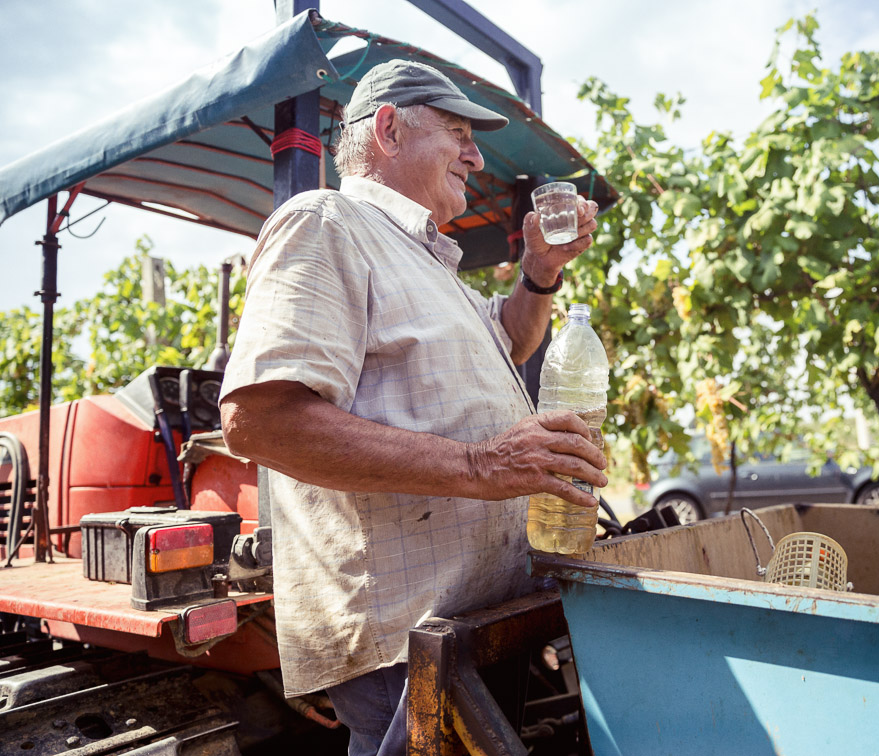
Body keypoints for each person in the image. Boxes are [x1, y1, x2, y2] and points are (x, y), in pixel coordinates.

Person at [219, 59, 607, 755]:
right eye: (457, 131)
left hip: (478, 624)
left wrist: (539, 273)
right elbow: (261, 419)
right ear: (390, 129)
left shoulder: (428, 258)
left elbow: (512, 339)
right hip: (406, 645)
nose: (476, 155)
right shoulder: (325, 222)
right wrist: (481, 465)